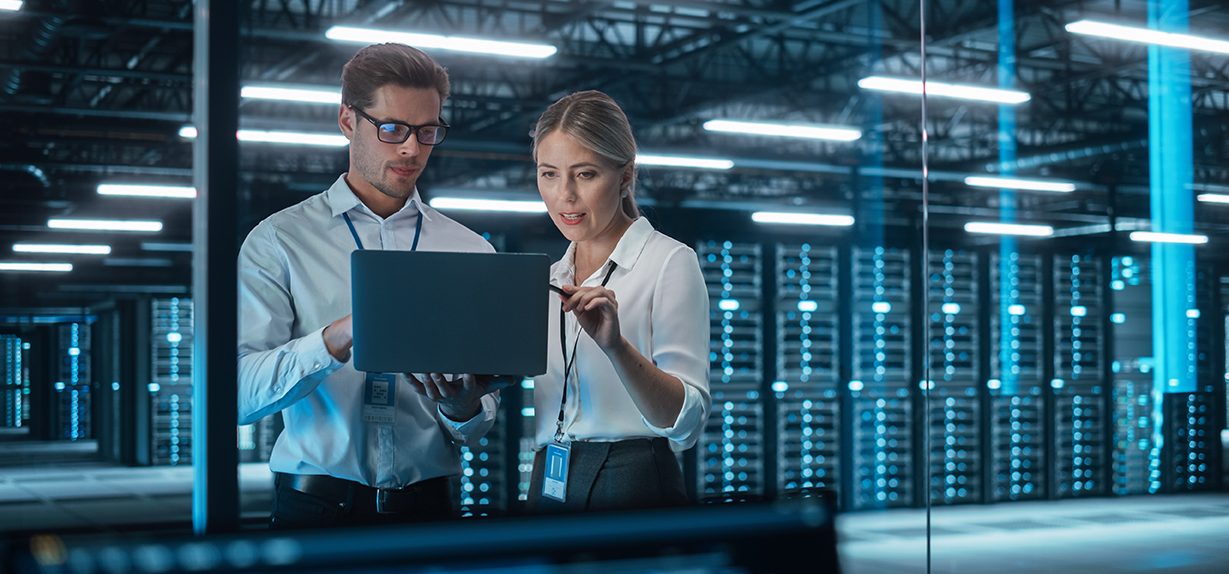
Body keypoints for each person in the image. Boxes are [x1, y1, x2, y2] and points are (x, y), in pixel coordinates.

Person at [237, 43, 504, 529]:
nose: (411, 148)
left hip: (429, 516)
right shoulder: (280, 240)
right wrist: (337, 337)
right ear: (347, 121)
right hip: (316, 514)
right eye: (392, 128)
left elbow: (477, 423)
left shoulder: (469, 251)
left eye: (427, 132)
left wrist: (463, 407)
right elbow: (237, 396)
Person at [526, 90, 711, 512]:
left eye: (585, 174)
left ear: (625, 176)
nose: (564, 196)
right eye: (549, 174)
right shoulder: (551, 276)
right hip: (549, 477)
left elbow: (686, 423)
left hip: (633, 480)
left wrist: (617, 347)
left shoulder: (668, 262)